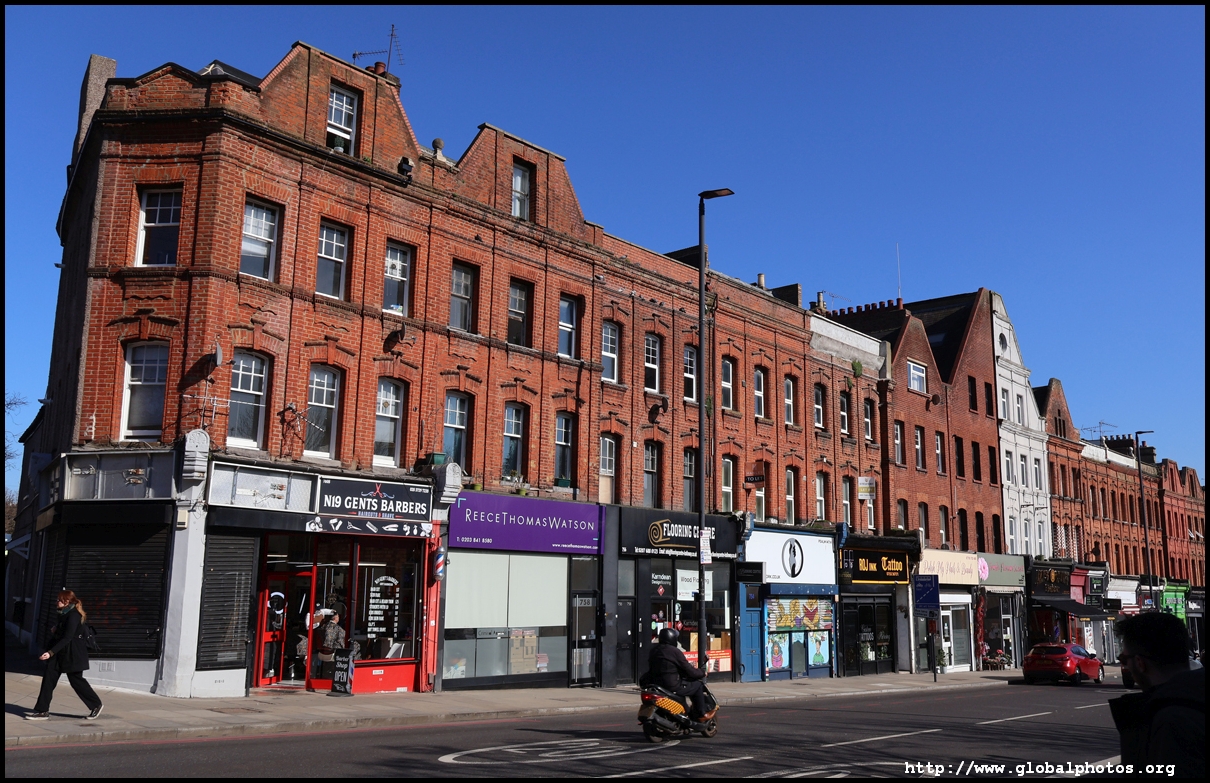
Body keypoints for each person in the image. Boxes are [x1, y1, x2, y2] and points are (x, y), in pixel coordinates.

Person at [1110, 612, 1204, 778]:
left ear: (1140, 663)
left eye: (1124, 659)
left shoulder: (1170, 722)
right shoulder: (1193, 699)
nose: (1126, 666)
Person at [25, 590, 103, 721]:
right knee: (48, 680)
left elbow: (68, 637)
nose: (57, 602)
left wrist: (50, 652)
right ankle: (42, 711)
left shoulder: (74, 615)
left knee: (76, 681)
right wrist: (56, 630)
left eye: (59, 600)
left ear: (67, 601)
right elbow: (63, 634)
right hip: (60, 653)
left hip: (72, 654)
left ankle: (96, 704)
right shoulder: (63, 613)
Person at [647, 628, 715, 723]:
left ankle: (684, 712)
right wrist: (702, 673)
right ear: (672, 639)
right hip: (671, 685)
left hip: (656, 683)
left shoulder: (654, 650)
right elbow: (689, 670)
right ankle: (701, 714)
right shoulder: (674, 651)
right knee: (698, 685)